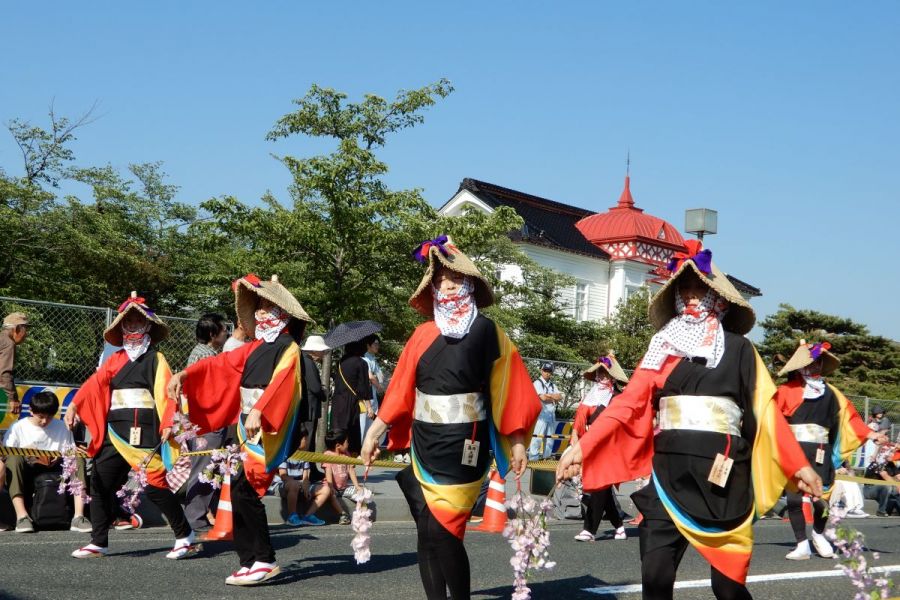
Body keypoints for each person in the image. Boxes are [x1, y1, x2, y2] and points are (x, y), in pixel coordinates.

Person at [556, 240, 822, 600]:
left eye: (701, 289)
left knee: (727, 589)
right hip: (668, 476)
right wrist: (583, 446)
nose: (692, 296)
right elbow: (627, 404)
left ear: (720, 299)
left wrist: (798, 465)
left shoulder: (740, 349)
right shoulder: (660, 348)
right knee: (655, 581)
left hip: (722, 478)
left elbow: (766, 412)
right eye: (686, 289)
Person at [361, 235, 541, 600]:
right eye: (440, 279)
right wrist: (375, 431)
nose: (447, 284)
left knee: (445, 530)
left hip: (465, 443)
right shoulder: (422, 333)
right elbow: (399, 390)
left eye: (455, 278)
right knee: (426, 530)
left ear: (470, 282)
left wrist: (518, 440)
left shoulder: (488, 331)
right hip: (424, 441)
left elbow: (510, 388)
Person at [167, 273, 313, 586]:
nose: (260, 312)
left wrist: (260, 409)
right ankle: (249, 560)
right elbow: (220, 365)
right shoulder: (255, 347)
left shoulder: (288, 347)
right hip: (246, 428)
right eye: (258, 307)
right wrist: (186, 373)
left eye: (267, 307)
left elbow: (283, 382)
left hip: (268, 428)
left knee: (247, 492)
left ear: (282, 313)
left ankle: (265, 559)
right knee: (237, 490)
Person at [64, 293, 196, 559]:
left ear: (148, 326)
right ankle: (98, 541)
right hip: (114, 432)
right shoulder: (114, 360)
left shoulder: (156, 359)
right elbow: (95, 383)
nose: (133, 326)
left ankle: (185, 535)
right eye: (129, 321)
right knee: (100, 484)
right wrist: (76, 405)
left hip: (144, 432)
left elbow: (166, 393)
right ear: (122, 326)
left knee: (155, 487)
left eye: (138, 321)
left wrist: (168, 422)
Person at [774, 340, 884, 560]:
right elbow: (772, 420)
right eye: (810, 363)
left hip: (821, 451)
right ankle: (801, 543)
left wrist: (871, 434)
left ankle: (818, 534)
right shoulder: (786, 390)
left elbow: (849, 419)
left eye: (818, 363)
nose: (815, 367)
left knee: (822, 499)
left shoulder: (831, 393)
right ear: (800, 366)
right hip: (794, 451)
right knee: (794, 500)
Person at [2, 391, 90, 533]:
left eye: (49, 417)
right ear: (31, 411)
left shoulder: (62, 426)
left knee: (76, 457)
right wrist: (27, 452)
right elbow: (6, 453)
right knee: (14, 458)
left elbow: (69, 450)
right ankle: (22, 516)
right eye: (40, 417)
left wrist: (59, 456)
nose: (44, 421)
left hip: (56, 469)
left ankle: (78, 516)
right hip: (27, 469)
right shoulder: (18, 427)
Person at [570, 354, 630, 542]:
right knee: (601, 488)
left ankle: (589, 529)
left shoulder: (619, 397)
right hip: (590, 445)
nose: (600, 378)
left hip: (610, 447)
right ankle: (619, 525)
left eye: (604, 374)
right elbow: (579, 421)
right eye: (598, 374)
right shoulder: (590, 396)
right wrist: (574, 441)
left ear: (612, 377)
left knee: (599, 486)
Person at [181, 313, 229, 531]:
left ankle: (200, 516)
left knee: (205, 467)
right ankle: (195, 519)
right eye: (223, 329)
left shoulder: (199, 353)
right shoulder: (208, 357)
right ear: (212, 334)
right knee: (204, 468)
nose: (226, 332)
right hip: (207, 420)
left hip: (201, 419)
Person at [331, 340, 371, 455]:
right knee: (352, 431)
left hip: (338, 400)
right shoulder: (361, 363)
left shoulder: (341, 361)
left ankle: (335, 456)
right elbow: (363, 388)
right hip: (351, 401)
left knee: (338, 429)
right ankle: (350, 459)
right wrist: (369, 406)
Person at [300, 334, 329, 454]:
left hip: (306, 407)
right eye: (322, 351)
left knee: (309, 439)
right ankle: (307, 468)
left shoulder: (304, 360)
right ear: (315, 350)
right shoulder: (308, 362)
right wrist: (324, 393)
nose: (323, 354)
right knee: (308, 439)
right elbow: (315, 388)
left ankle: (310, 468)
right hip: (309, 407)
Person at [277, 459, 326, 527]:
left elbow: (306, 477)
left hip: (301, 485)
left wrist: (305, 486)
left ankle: (308, 516)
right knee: (294, 484)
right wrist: (299, 484)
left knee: (326, 489)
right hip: (286, 485)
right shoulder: (285, 455)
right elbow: (283, 476)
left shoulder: (303, 456)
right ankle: (292, 516)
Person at [529, 362, 562, 460]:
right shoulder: (537, 383)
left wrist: (549, 396)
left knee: (550, 438)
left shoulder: (552, 385)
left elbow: (560, 396)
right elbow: (543, 398)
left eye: (549, 371)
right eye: (545, 371)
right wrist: (553, 397)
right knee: (537, 437)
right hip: (541, 415)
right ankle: (533, 458)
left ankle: (546, 457)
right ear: (541, 371)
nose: (547, 373)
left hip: (551, 414)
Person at [0, 312, 29, 417]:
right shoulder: (8, 343)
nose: (26, 334)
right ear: (17, 329)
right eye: (25, 330)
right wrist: (13, 399)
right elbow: (4, 373)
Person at [863, 441, 900, 516]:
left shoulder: (891, 464)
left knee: (890, 488)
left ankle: (893, 509)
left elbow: (899, 476)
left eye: (893, 452)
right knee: (886, 486)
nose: (892, 454)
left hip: (884, 491)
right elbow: (884, 475)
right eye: (891, 452)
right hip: (869, 489)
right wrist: (898, 486)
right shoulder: (877, 463)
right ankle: (881, 511)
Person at [360, 334, 385, 443]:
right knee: (364, 424)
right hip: (367, 397)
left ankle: (368, 446)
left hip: (373, 396)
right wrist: (380, 388)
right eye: (375, 343)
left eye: (378, 344)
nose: (377, 346)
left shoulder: (373, 358)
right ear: (368, 345)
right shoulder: (365, 358)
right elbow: (370, 377)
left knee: (371, 423)